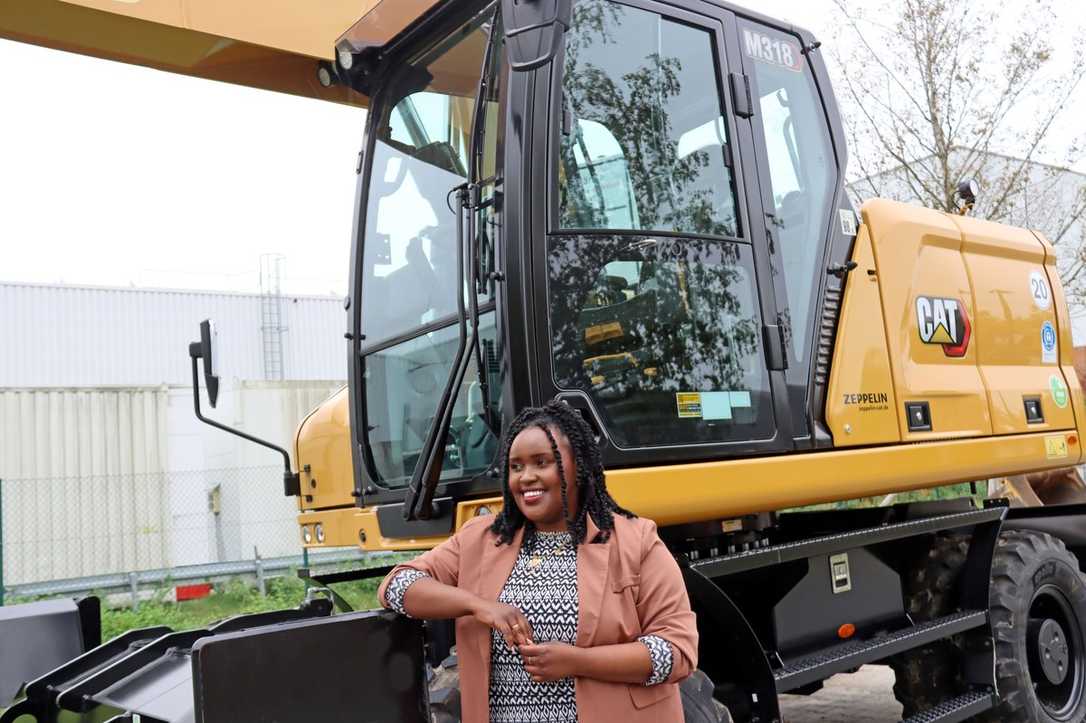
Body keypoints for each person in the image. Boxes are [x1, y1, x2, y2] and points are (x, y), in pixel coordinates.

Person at [378, 400, 697, 722]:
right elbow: (397, 586)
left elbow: (677, 652)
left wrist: (578, 662)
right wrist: (478, 605)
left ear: (579, 466)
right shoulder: (481, 538)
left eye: (542, 462)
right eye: (516, 467)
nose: (526, 477)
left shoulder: (635, 541)